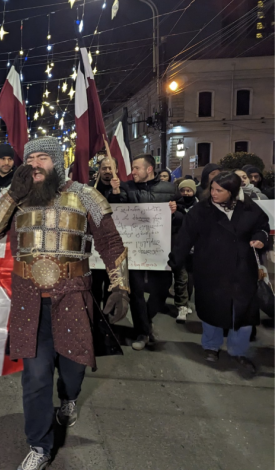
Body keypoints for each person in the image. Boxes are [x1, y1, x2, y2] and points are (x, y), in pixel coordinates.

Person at [0, 137, 129, 469]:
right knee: (34, 377)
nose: (35, 164)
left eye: (43, 158)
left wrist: (121, 287)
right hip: (29, 302)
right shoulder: (17, 198)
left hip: (73, 298)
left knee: (73, 369)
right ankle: (39, 446)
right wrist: (13, 194)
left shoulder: (85, 195)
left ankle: (70, 398)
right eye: (30, 159)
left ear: (58, 162)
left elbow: (111, 242)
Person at [170, 172, 269, 373]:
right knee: (212, 310)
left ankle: (238, 351)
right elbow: (185, 238)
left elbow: (262, 227)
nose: (213, 193)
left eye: (219, 190)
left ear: (232, 192)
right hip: (210, 269)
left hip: (243, 269)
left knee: (243, 313)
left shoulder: (249, 208)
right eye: (212, 189)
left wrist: (260, 238)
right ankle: (211, 346)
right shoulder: (201, 211)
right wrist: (174, 261)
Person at [109, 153, 183, 350]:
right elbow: (117, 210)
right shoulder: (126, 187)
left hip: (160, 250)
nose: (132, 172)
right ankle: (142, 331)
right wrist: (115, 193)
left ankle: (146, 320)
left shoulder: (169, 189)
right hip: (135, 249)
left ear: (149, 169)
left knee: (161, 290)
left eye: (136, 168)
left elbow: (182, 219)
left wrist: (175, 213)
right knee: (137, 291)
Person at [90, 157, 119, 310]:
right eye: (104, 168)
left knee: (111, 287)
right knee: (94, 288)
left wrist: (115, 192)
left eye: (111, 168)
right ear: (99, 170)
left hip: (114, 249)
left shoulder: (124, 189)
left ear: (117, 170)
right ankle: (94, 323)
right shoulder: (89, 189)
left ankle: (108, 323)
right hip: (94, 250)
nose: (107, 171)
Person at [174, 179, 199, 323]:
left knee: (191, 279)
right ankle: (181, 306)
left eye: (188, 190)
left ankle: (188, 301)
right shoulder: (177, 206)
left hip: (197, 249)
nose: (186, 193)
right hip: (182, 247)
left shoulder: (201, 206)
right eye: (183, 191)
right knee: (181, 279)